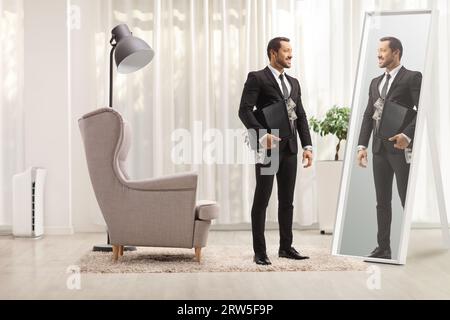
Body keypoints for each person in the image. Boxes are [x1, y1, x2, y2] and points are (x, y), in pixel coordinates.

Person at [238, 37, 313, 265]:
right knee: (262, 199)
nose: (291, 55)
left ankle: (286, 247)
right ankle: (259, 252)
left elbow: (300, 115)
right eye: (286, 51)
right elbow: (244, 110)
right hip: (268, 149)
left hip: (290, 148)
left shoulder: (294, 82)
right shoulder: (257, 78)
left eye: (292, 51)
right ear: (273, 53)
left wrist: (307, 146)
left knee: (287, 201)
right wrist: (261, 134)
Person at [357, 37, 422, 260]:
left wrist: (407, 135)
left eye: (383, 51)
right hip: (379, 150)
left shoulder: (412, 77)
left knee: (405, 198)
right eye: (378, 51)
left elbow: (423, 110)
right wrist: (361, 146)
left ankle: (408, 246)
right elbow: (368, 115)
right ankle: (383, 247)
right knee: (382, 201)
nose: (379, 55)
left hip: (400, 148)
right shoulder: (375, 82)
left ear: (396, 52)